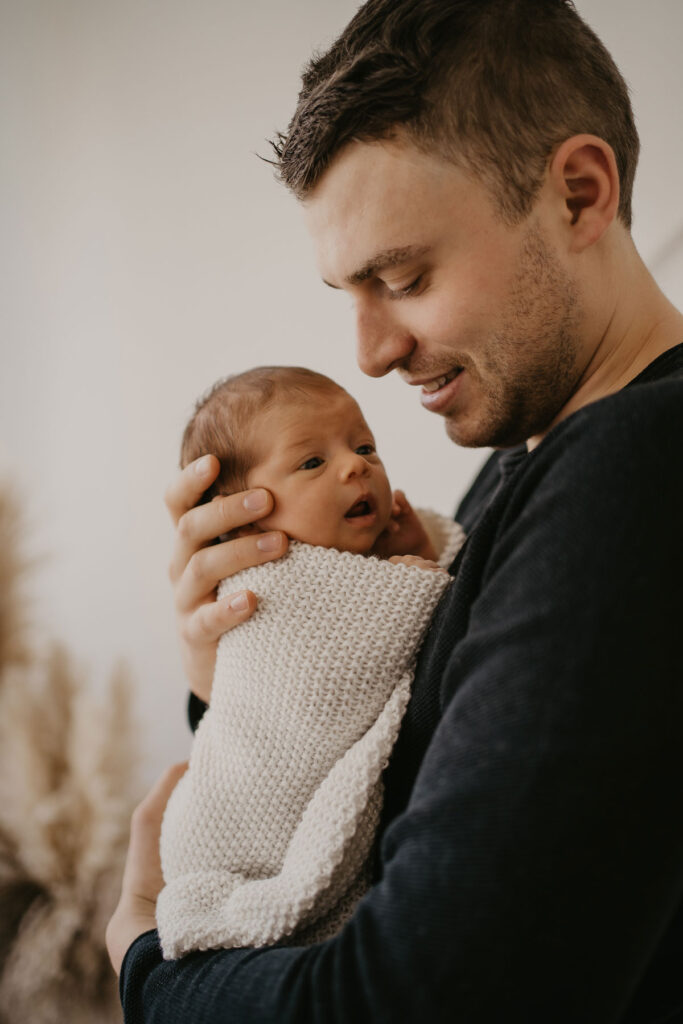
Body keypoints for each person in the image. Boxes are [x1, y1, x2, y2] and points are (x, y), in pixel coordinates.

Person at [106, 0, 683, 1020]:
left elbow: (416, 998)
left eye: (404, 278)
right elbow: (388, 803)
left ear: (580, 194)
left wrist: (147, 962)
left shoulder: (634, 469)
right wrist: (233, 670)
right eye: (348, 292)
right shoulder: (524, 469)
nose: (369, 351)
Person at [156, 365, 463, 958]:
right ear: (246, 513)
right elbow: (315, 686)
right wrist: (405, 590)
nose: (357, 466)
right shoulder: (273, 583)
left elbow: (447, 616)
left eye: (364, 445)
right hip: (235, 835)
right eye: (312, 462)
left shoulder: (365, 560)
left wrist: (419, 560)